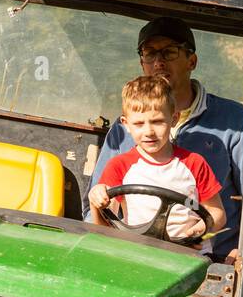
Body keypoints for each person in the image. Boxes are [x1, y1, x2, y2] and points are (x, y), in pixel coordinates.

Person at [85, 16, 243, 297]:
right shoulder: (124, 129)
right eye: (150, 55)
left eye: (168, 53)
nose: (158, 62)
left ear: (191, 60)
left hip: (208, 255)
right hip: (133, 249)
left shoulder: (232, 120)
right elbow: (99, 201)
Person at [88, 75, 226, 246]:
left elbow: (217, 214)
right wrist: (96, 202)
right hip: (137, 251)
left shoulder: (194, 163)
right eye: (139, 123)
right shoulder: (119, 166)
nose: (149, 132)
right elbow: (105, 231)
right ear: (126, 124)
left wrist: (200, 231)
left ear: (174, 119)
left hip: (188, 252)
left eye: (157, 121)